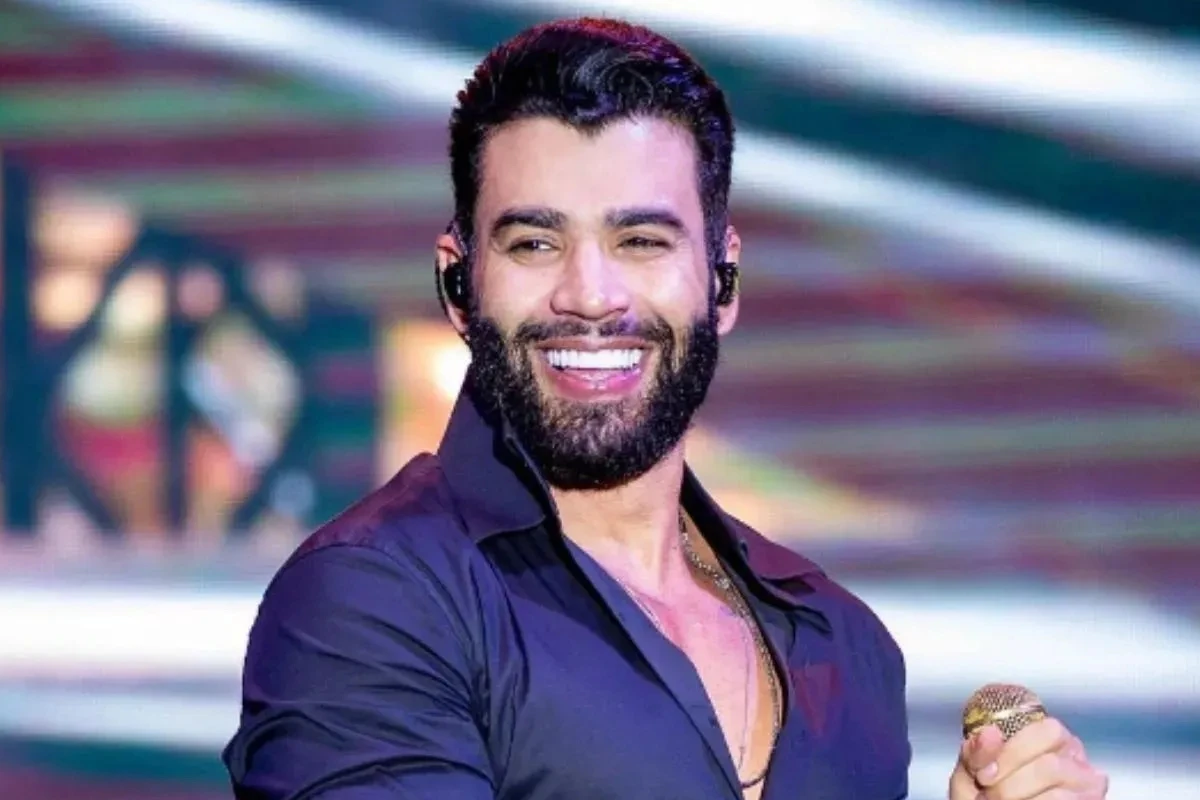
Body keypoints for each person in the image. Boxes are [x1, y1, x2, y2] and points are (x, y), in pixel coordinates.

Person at [223, 17, 1109, 800]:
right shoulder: (374, 601)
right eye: (534, 242)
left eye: (641, 240)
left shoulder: (843, 646)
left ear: (723, 280)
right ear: (459, 284)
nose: (590, 295)